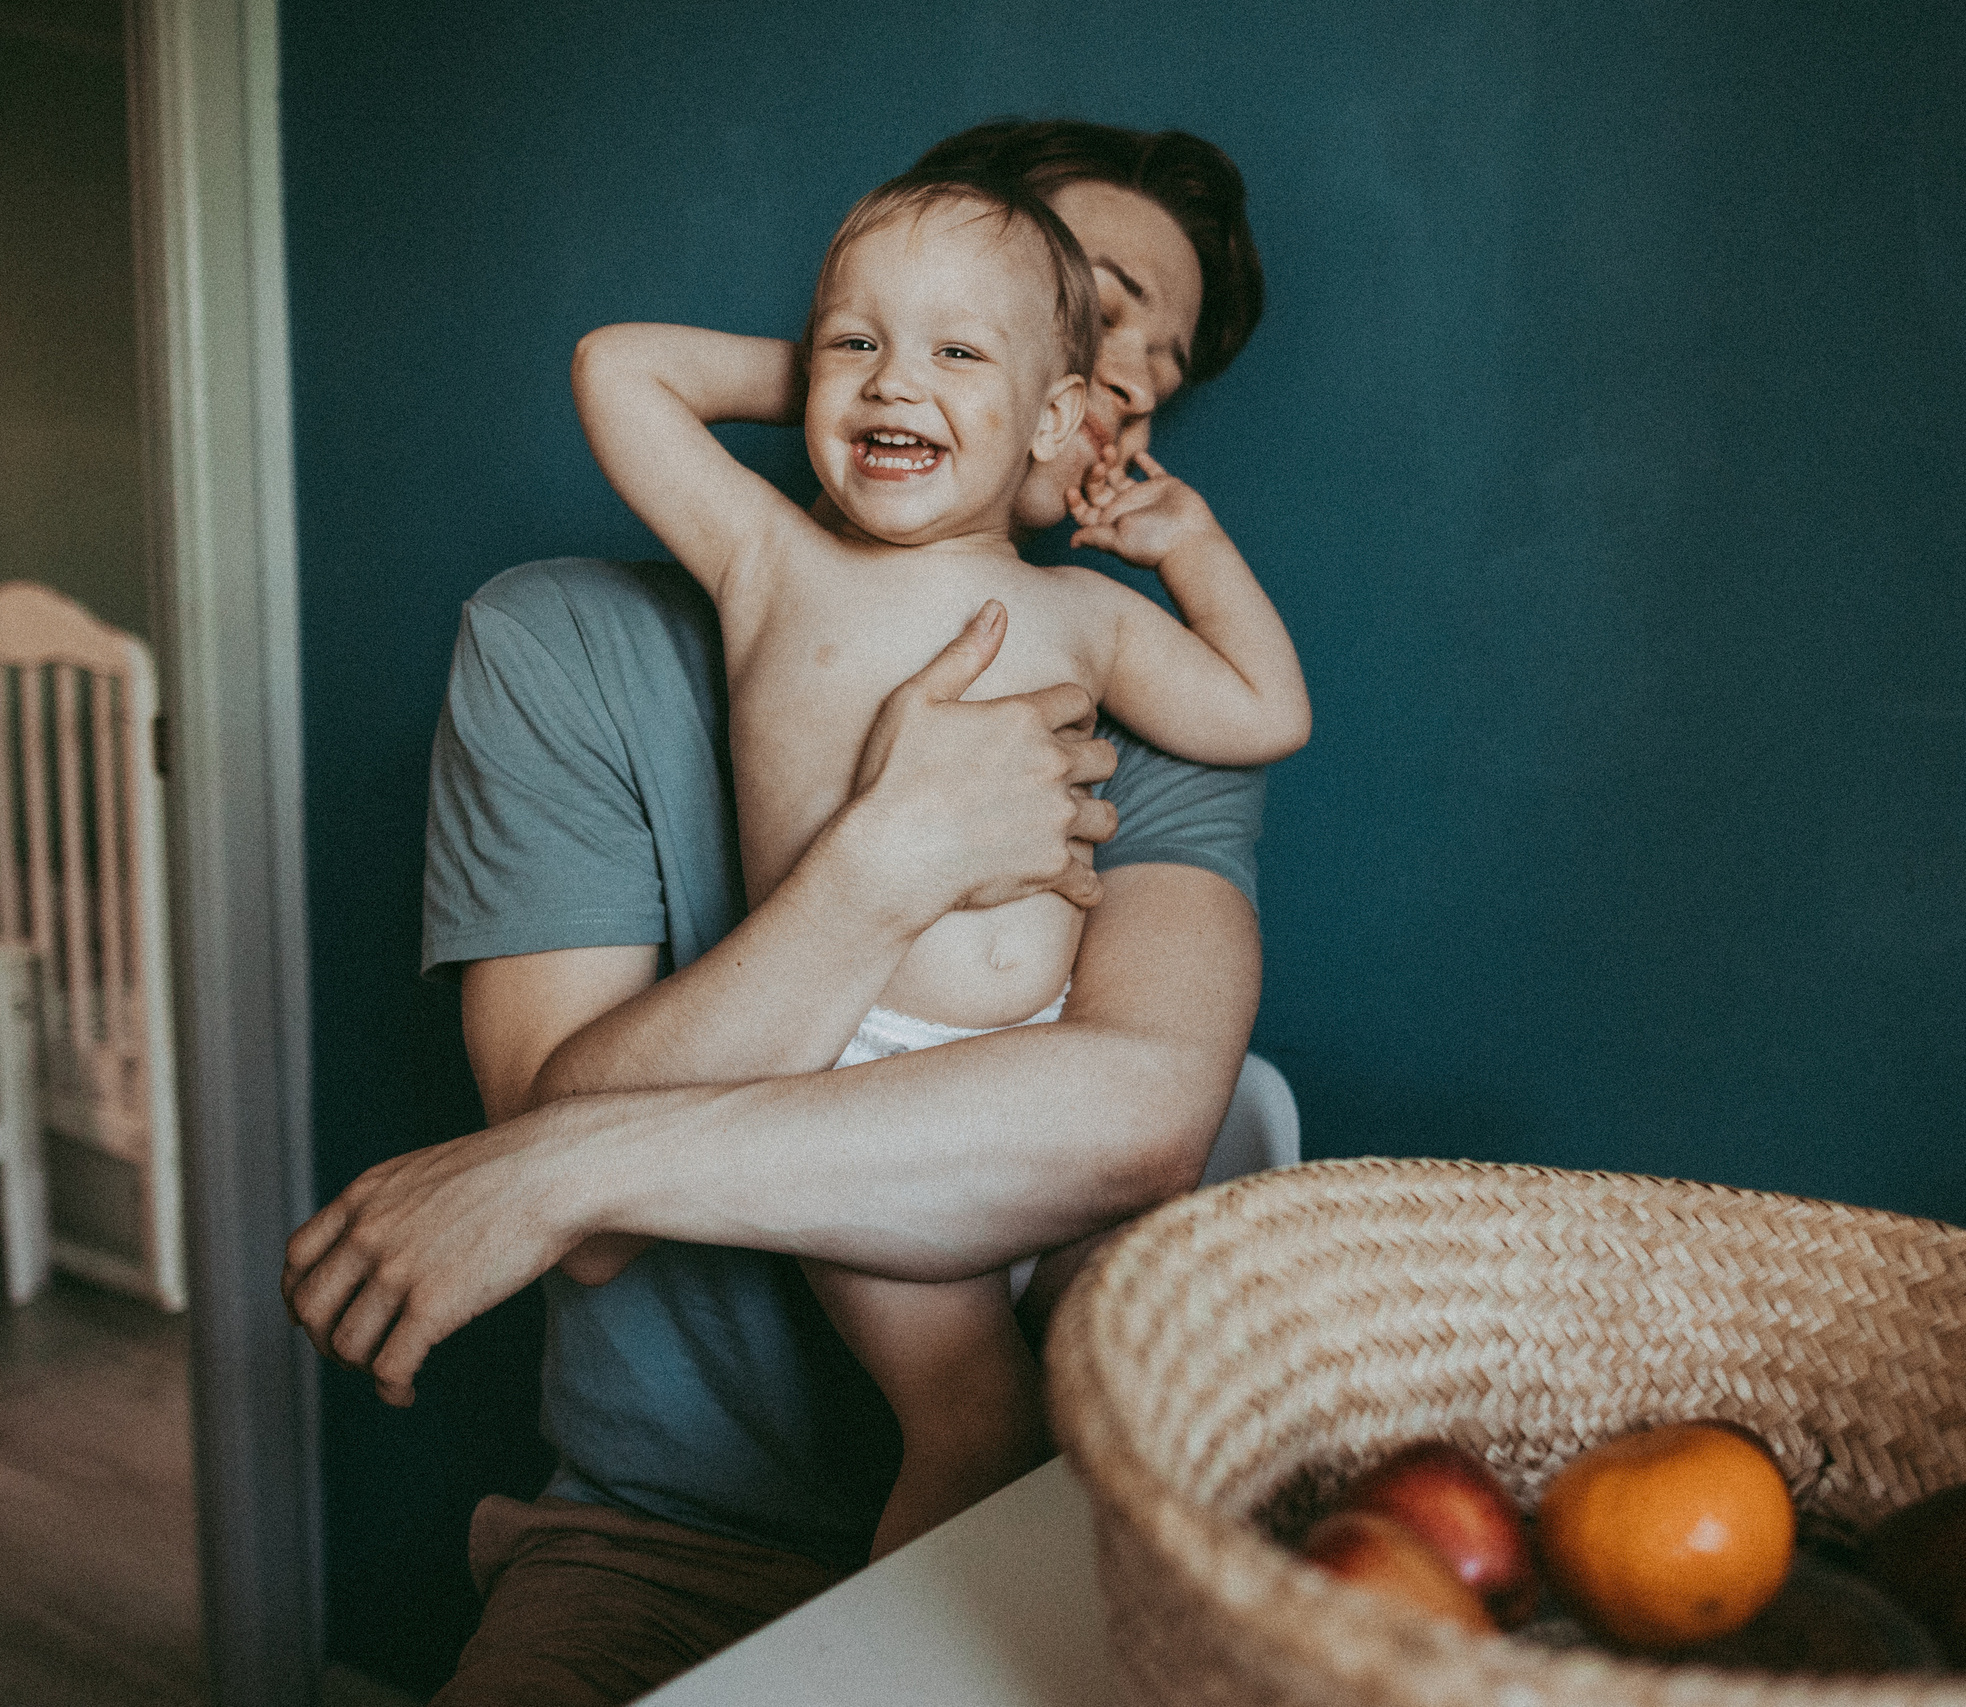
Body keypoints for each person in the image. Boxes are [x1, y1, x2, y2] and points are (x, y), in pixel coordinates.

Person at [282, 120, 1275, 1707]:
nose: (1115, 365)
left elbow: (1140, 1118)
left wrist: (553, 1159)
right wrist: (883, 863)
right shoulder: (577, 641)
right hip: (650, 1543)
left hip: (1058, 1519)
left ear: (1097, 412)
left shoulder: (1128, 680)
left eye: (1133, 352)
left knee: (984, 1444)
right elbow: (594, 1249)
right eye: (1071, 293)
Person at [569, 164, 1306, 1559]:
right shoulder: (772, 564)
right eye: (859, 342)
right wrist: (891, 361)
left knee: (1137, 1430)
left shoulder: (1087, 613)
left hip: (1041, 1071)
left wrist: (1190, 543)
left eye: (959, 351)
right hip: (850, 1081)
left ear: (1058, 414)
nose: (896, 383)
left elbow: (1266, 712)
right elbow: (620, 370)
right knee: (976, 1432)